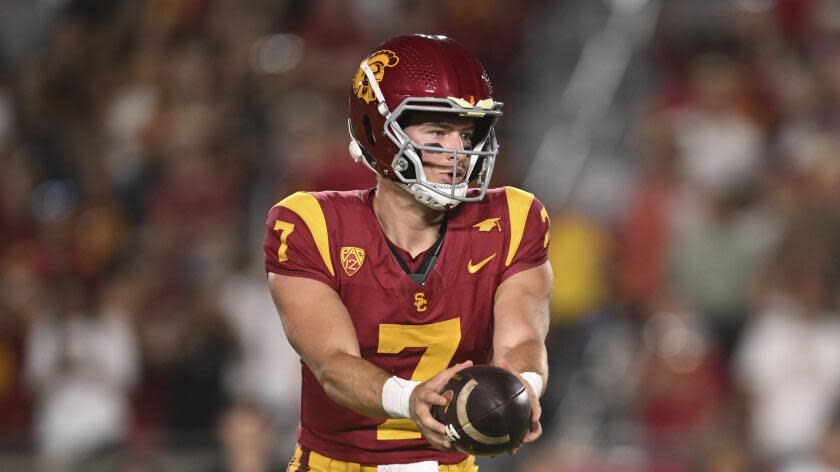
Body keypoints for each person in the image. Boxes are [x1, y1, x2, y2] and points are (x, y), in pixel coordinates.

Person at [264, 34, 552, 471]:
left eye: (467, 133)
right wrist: (410, 398)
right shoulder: (310, 224)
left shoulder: (515, 218)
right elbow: (332, 364)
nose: (459, 153)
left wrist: (524, 383)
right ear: (376, 130)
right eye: (438, 131)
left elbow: (523, 339)